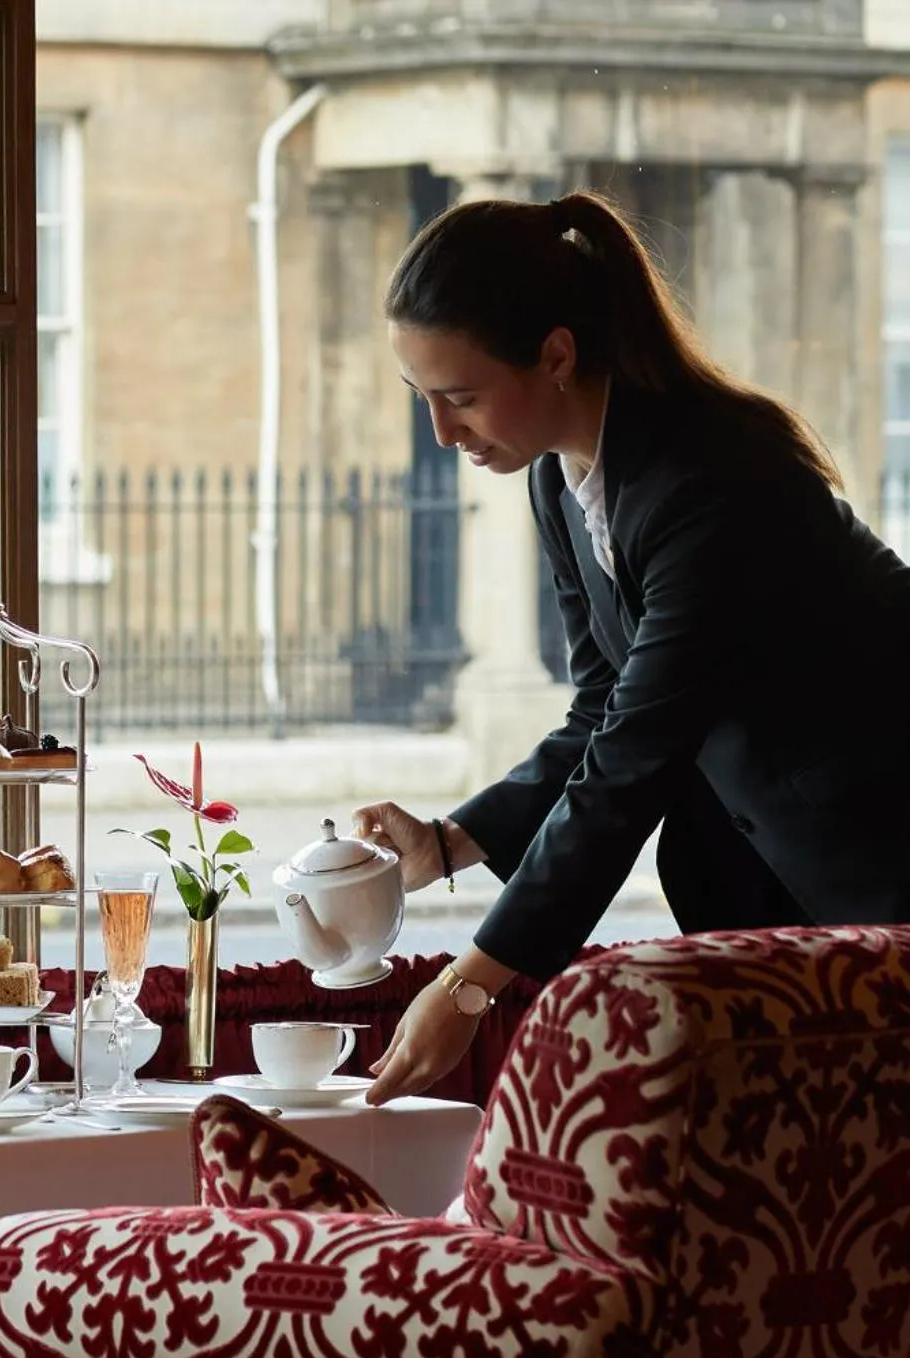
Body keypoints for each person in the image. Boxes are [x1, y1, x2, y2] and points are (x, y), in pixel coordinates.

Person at [355, 190, 910, 1104]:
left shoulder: (713, 478)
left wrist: (470, 983)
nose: (443, 434)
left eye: (460, 398)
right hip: (766, 898)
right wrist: (450, 843)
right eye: (422, 399)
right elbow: (603, 706)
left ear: (558, 355)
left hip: (879, 855)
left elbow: (633, 756)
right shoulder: (558, 481)